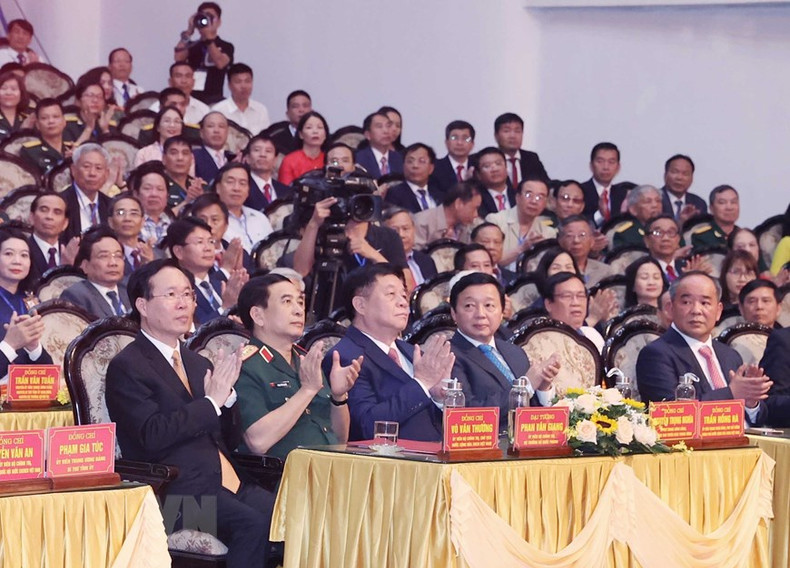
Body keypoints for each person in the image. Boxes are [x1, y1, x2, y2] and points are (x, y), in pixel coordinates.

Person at [106, 259, 275, 568]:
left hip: (229, 484)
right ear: (142, 305)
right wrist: (210, 402)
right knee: (253, 525)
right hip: (174, 499)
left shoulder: (198, 363)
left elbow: (228, 440)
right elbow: (150, 435)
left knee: (292, 517)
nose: (184, 303)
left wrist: (227, 400)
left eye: (188, 294)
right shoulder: (127, 366)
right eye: (171, 295)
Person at [235, 274, 363, 459]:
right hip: (284, 473)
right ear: (258, 315)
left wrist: (338, 397)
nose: (298, 310)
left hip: (327, 466)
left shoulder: (306, 360)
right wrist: (307, 390)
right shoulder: (245, 366)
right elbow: (258, 441)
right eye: (287, 302)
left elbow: (339, 440)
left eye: (300, 302)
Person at [322, 263, 455, 441]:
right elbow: (365, 427)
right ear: (360, 305)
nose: (403, 303)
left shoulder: (411, 351)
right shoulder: (345, 357)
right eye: (391, 294)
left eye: (403, 295)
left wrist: (438, 398)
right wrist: (422, 384)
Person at [636, 271, 771, 424]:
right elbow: (670, 415)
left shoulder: (730, 355)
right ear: (671, 308)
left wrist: (750, 402)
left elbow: (758, 419)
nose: (696, 310)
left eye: (705, 303)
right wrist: (731, 393)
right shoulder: (656, 354)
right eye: (686, 302)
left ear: (718, 311)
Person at [448, 271, 558, 430]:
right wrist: (525, 388)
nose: (480, 314)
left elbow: (535, 412)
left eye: (489, 305)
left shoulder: (515, 352)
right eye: (469, 306)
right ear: (454, 313)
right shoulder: (448, 356)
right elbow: (467, 414)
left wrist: (543, 387)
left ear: (501, 313)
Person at [167, 218, 248, 325]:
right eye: (199, 242)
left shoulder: (221, 284)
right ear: (179, 251)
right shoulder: (176, 292)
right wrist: (225, 308)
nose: (208, 248)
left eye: (211, 241)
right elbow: (193, 329)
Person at [0, 228, 52, 378]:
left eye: (24, 255)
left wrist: (33, 347)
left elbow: (47, 375)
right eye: (8, 254)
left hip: (27, 388)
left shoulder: (32, 301)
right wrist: (10, 345)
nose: (17, 261)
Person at [485, 175, 556, 268]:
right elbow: (489, 261)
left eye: (540, 197)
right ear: (517, 197)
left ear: (545, 202)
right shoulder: (495, 221)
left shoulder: (548, 232)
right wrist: (522, 248)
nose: (534, 201)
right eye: (528, 195)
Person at [60, 227, 130, 318]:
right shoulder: (76, 296)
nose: (113, 263)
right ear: (85, 266)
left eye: (118, 256)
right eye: (104, 256)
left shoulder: (130, 290)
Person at [174, 2, 234, 104]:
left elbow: (220, 63)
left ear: (219, 22)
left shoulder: (226, 46)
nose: (207, 20)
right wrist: (189, 31)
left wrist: (208, 38)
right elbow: (178, 58)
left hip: (214, 99)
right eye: (203, 16)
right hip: (192, 98)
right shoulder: (192, 45)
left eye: (211, 17)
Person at [213, 162, 272, 253]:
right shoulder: (212, 220)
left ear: (248, 190)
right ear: (218, 188)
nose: (236, 188)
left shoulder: (260, 217)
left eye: (242, 183)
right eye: (230, 182)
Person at [543, 272, 605, 353]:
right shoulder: (539, 341)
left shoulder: (592, 335)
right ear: (548, 304)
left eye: (580, 296)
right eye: (567, 296)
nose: (576, 303)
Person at [61, 143, 112, 243]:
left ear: (106, 174)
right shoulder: (61, 203)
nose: (92, 173)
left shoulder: (110, 205)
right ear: (73, 170)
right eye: (86, 166)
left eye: (98, 168)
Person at [189, 192, 251, 272]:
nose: (209, 225)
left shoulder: (239, 253)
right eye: (202, 220)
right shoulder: (191, 257)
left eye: (214, 220)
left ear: (226, 225)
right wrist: (226, 268)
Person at [413, 181, 482, 249]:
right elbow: (414, 254)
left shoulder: (467, 227)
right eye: (475, 208)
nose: (476, 214)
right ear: (458, 203)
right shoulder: (422, 223)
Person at [26, 192, 75, 284]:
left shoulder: (71, 253)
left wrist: (69, 268)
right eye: (44, 210)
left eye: (57, 212)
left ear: (65, 223)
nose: (49, 217)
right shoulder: (23, 250)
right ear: (31, 217)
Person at [382, 207, 437, 287]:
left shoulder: (426, 260)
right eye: (394, 230)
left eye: (405, 229)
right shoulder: (381, 262)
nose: (401, 235)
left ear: (414, 229)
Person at [383, 143, 444, 214]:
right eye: (410, 161)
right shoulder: (394, 194)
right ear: (403, 166)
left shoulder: (440, 195)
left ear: (431, 168)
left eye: (421, 161)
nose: (415, 166)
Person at [212, 63, 270, 135]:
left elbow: (265, 138)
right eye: (238, 82)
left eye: (247, 81)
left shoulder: (261, 110)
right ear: (229, 85)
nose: (243, 86)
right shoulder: (218, 111)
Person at [19, 98, 74, 176]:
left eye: (56, 117)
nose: (51, 121)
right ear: (37, 124)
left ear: (64, 122)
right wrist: (64, 162)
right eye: (44, 118)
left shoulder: (72, 149)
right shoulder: (30, 151)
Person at [579, 142, 630, 225]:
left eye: (611, 162)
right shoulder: (580, 191)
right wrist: (600, 214)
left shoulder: (623, 195)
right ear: (591, 165)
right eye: (600, 161)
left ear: (618, 167)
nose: (606, 167)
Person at [492, 112, 548, 186]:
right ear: (496, 135)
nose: (512, 136)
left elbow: (546, 183)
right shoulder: (488, 159)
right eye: (506, 131)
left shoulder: (531, 158)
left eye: (517, 131)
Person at [107, 193, 154, 279]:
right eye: (120, 213)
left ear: (143, 221)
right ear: (110, 222)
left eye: (134, 213)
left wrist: (150, 265)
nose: (127, 219)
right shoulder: (106, 256)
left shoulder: (158, 255)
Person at [557, 215, 613, 287]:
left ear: (592, 241)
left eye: (582, 235)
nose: (576, 240)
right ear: (560, 241)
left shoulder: (605, 271)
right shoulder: (554, 270)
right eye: (569, 236)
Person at [133, 106, 193, 171]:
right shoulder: (143, 153)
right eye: (167, 121)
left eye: (177, 121)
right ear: (158, 127)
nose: (172, 125)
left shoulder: (188, 154)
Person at [277, 111, 328, 186]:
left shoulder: (329, 159)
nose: (315, 131)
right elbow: (285, 190)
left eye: (319, 127)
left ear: (325, 134)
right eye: (309, 127)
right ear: (301, 134)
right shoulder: (289, 160)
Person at [242, 134, 290, 210]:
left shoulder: (286, 191)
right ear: (247, 158)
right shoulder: (241, 187)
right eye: (257, 150)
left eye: (268, 151)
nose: (263, 155)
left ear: (275, 160)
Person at [131, 162, 174, 245]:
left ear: (167, 196)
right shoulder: (129, 223)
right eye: (147, 188)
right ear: (136, 194)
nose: (154, 194)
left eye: (160, 189)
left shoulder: (175, 223)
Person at [611, 185, 663, 250]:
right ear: (633, 210)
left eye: (658, 201)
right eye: (648, 201)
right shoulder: (625, 235)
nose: (655, 205)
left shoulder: (669, 229)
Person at [660, 154, 707, 224]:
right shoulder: (656, 200)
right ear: (665, 175)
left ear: (692, 179)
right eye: (675, 172)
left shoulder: (699, 203)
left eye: (685, 174)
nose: (679, 177)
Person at [354, 111, 402, 179]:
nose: (386, 131)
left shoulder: (400, 159)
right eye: (379, 126)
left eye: (388, 126)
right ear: (368, 135)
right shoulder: (358, 159)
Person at [162, 135, 206, 209]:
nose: (180, 158)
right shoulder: (158, 186)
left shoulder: (199, 186)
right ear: (164, 158)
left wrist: (203, 199)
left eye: (185, 153)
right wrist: (187, 202)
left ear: (192, 159)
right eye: (174, 153)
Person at [430, 120, 475, 193]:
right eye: (454, 138)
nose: (459, 143)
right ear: (446, 142)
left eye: (465, 139)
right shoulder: (434, 168)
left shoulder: (478, 168)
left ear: (472, 144)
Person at [691, 185, 740, 250]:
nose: (729, 207)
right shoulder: (702, 236)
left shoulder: (743, 235)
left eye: (733, 202)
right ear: (711, 208)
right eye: (722, 202)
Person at [193, 111, 235, 184]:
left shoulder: (233, 158)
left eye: (221, 126)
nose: (216, 131)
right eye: (210, 126)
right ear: (201, 132)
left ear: (227, 132)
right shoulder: (193, 156)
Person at [267, 90, 312, 155]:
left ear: (312, 111)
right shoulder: (274, 135)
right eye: (295, 106)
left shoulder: (320, 135)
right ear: (287, 113)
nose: (301, 110)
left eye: (305, 106)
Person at [474, 147, 514, 217]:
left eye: (498, 164)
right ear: (478, 175)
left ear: (506, 168)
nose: (494, 169)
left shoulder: (518, 196)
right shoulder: (475, 200)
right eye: (487, 166)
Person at [0, 72, 31, 141]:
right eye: (4, 88)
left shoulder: (28, 119)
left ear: (21, 93)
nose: (8, 93)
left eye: (13, 89)